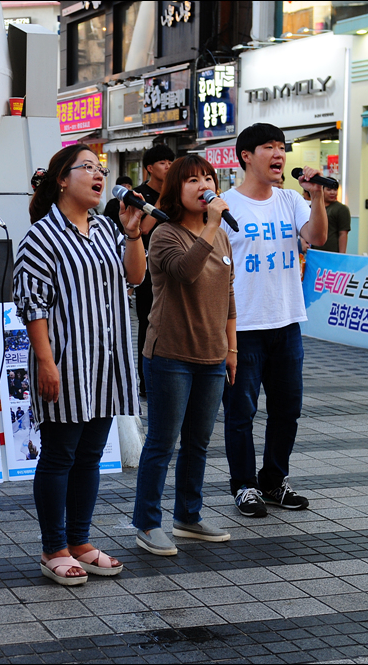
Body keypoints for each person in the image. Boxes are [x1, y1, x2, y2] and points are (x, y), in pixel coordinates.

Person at [13, 145, 145, 585]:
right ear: (61, 180)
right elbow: (32, 305)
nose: (97, 175)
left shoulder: (109, 228)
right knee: (60, 454)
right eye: (86, 168)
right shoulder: (42, 235)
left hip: (107, 362)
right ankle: (54, 548)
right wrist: (46, 363)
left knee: (90, 456)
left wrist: (132, 234)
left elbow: (135, 277)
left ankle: (81, 542)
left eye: (100, 169)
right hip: (66, 362)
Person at [220, 123, 327, 518]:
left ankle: (273, 480)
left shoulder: (290, 201)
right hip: (242, 327)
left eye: (282, 147)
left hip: (286, 324)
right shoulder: (224, 204)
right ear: (247, 155)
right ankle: (244, 485)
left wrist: (316, 198)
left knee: (287, 410)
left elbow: (315, 236)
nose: (279, 154)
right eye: (269, 146)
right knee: (240, 412)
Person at [132, 155, 237, 556]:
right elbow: (185, 272)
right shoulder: (164, 234)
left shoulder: (222, 236)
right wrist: (211, 224)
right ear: (175, 190)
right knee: (163, 441)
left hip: (212, 355)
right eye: (191, 179)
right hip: (170, 355)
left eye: (207, 177)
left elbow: (228, 294)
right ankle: (147, 522)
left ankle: (188, 516)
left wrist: (231, 348)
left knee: (198, 442)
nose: (202, 184)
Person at [133, 144, 175, 396]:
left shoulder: (180, 193)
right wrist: (162, 198)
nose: (168, 166)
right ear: (150, 168)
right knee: (148, 324)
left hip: (173, 267)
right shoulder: (138, 196)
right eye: (162, 163)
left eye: (171, 162)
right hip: (146, 271)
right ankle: (145, 382)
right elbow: (145, 228)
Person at [311, 178, 350, 253]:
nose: (333, 192)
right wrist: (303, 243)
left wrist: (341, 255)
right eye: (329, 190)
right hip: (314, 252)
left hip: (332, 253)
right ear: (322, 190)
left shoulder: (341, 209)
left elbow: (343, 234)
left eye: (335, 190)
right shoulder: (314, 207)